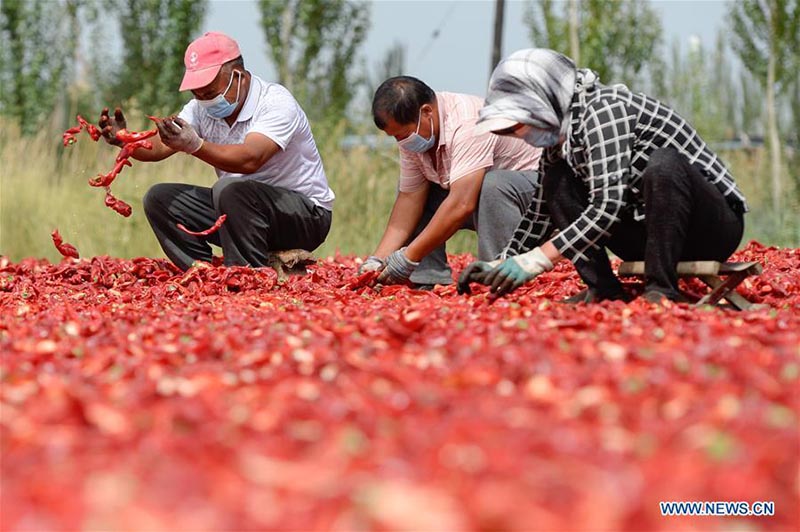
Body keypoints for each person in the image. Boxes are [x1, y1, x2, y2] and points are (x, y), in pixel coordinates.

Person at [458, 48, 748, 302]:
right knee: (556, 181)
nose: (519, 135)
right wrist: (502, 262)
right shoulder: (560, 141)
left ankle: (661, 290)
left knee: (664, 165)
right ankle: (604, 291)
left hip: (711, 229)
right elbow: (539, 213)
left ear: (545, 100)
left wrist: (539, 259)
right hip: (650, 235)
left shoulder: (604, 110)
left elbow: (607, 206)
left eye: (517, 124)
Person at [98, 31, 334, 271]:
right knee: (159, 198)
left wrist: (195, 145)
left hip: (304, 216)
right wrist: (124, 139)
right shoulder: (200, 109)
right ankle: (201, 273)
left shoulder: (275, 102)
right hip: (241, 213)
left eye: (210, 92)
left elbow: (251, 159)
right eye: (197, 93)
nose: (204, 100)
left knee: (229, 189)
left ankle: (244, 276)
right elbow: (158, 146)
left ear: (238, 76)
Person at [362, 76, 546, 288]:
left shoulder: (469, 122)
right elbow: (409, 199)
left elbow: (462, 204)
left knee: (495, 184)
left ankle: (502, 274)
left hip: (535, 197)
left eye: (404, 135)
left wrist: (408, 257)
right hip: (484, 201)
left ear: (426, 112)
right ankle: (428, 279)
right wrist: (377, 261)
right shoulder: (415, 136)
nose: (401, 143)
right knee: (420, 190)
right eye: (395, 137)